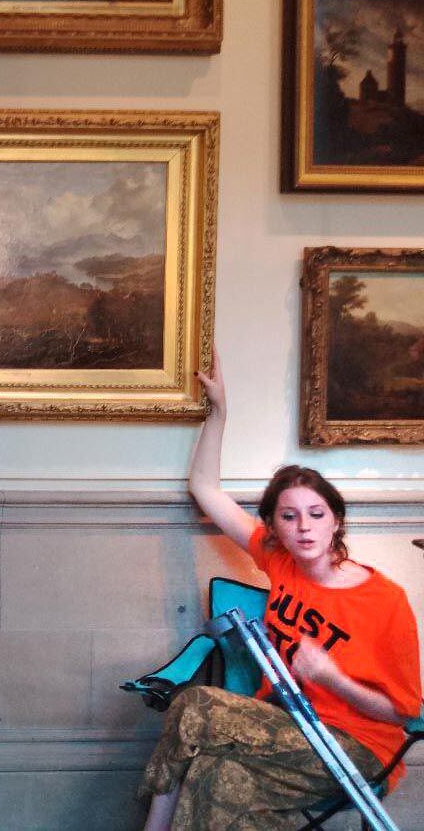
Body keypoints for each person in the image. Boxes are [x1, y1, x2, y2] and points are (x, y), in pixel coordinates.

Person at [139, 350, 422, 831]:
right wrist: (220, 412)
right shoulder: (279, 560)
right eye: (289, 517)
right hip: (285, 723)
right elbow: (204, 487)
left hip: (355, 745)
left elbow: (405, 712)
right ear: (274, 527)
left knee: (198, 703)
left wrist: (332, 678)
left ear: (336, 522)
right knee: (215, 774)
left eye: (316, 514)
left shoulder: (384, 600)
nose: (304, 528)